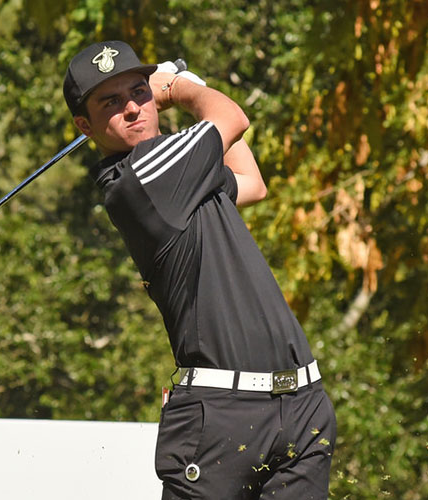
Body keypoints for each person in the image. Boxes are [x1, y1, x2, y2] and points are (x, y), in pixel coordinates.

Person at [63, 40, 337, 499]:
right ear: (84, 126)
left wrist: (187, 93)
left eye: (138, 92)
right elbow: (233, 118)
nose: (132, 108)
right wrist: (178, 89)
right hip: (221, 417)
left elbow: (252, 183)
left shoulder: (181, 174)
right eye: (110, 102)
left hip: (300, 407)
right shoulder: (143, 176)